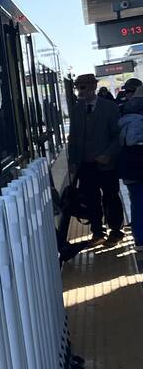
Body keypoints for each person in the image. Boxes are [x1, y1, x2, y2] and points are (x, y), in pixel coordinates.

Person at [64, 73, 124, 249]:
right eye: (77, 87)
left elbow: (118, 136)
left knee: (111, 196)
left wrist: (108, 155)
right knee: (91, 198)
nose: (79, 91)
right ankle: (98, 231)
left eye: (82, 87)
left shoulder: (110, 109)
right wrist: (73, 162)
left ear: (93, 87)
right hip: (86, 165)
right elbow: (73, 138)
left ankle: (116, 231)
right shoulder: (76, 110)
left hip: (106, 164)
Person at [120, 94, 143, 256]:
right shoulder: (140, 122)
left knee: (136, 203)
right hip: (140, 167)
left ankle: (140, 238)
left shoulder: (120, 124)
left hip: (129, 170)